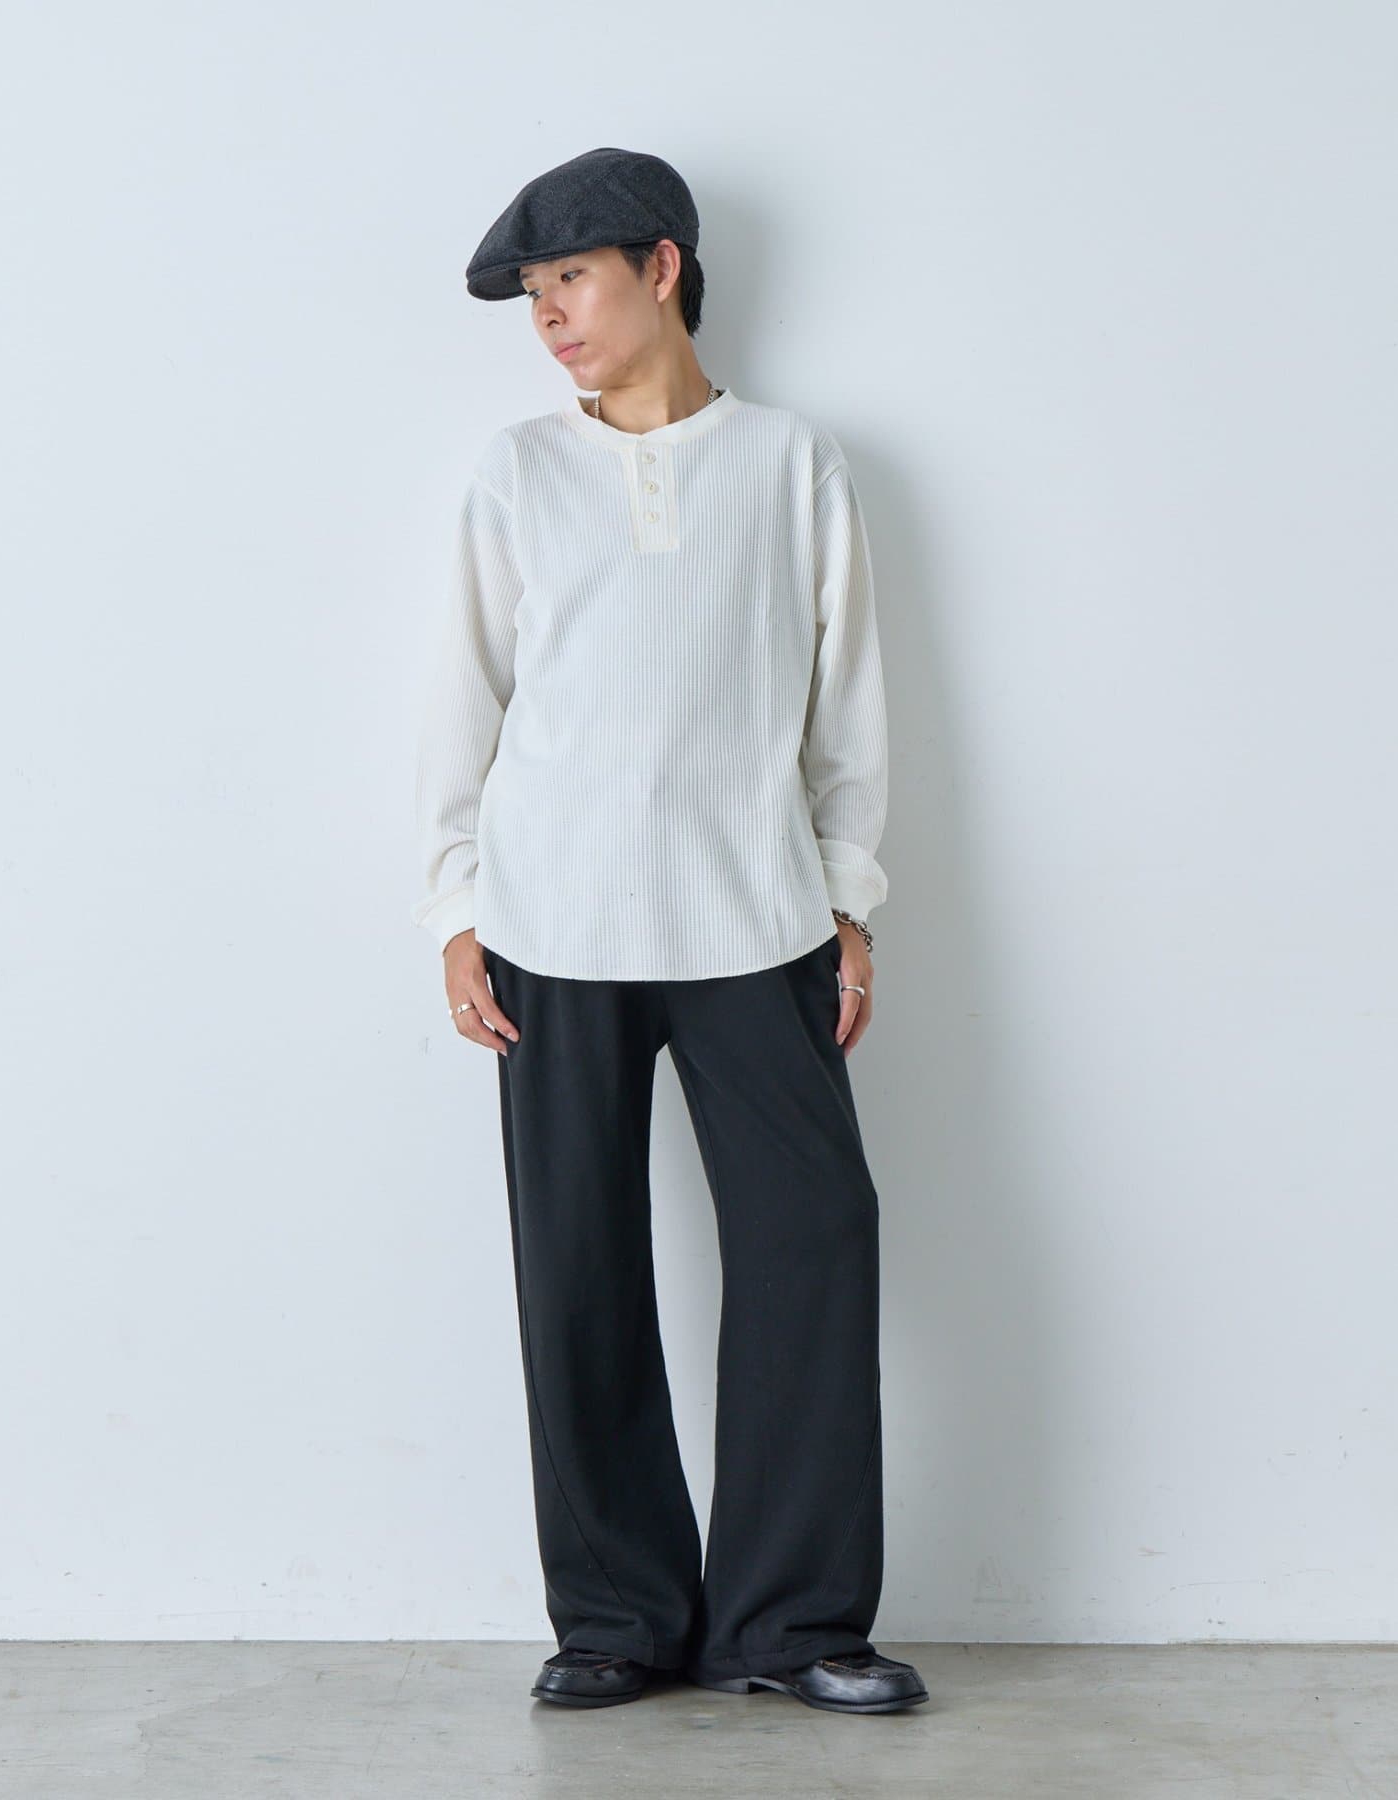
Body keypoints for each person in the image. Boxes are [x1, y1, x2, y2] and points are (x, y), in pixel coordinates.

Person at [411, 146, 928, 1718]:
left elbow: (845, 701)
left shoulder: (788, 461)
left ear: (662, 267)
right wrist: (456, 908)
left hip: (755, 918)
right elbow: (464, 701)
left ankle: (793, 1622)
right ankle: (618, 1618)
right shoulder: (516, 471)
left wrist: (847, 899)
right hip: (549, 926)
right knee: (576, 1263)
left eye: (570, 279)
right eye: (532, 295)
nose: (549, 317)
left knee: (814, 1241)